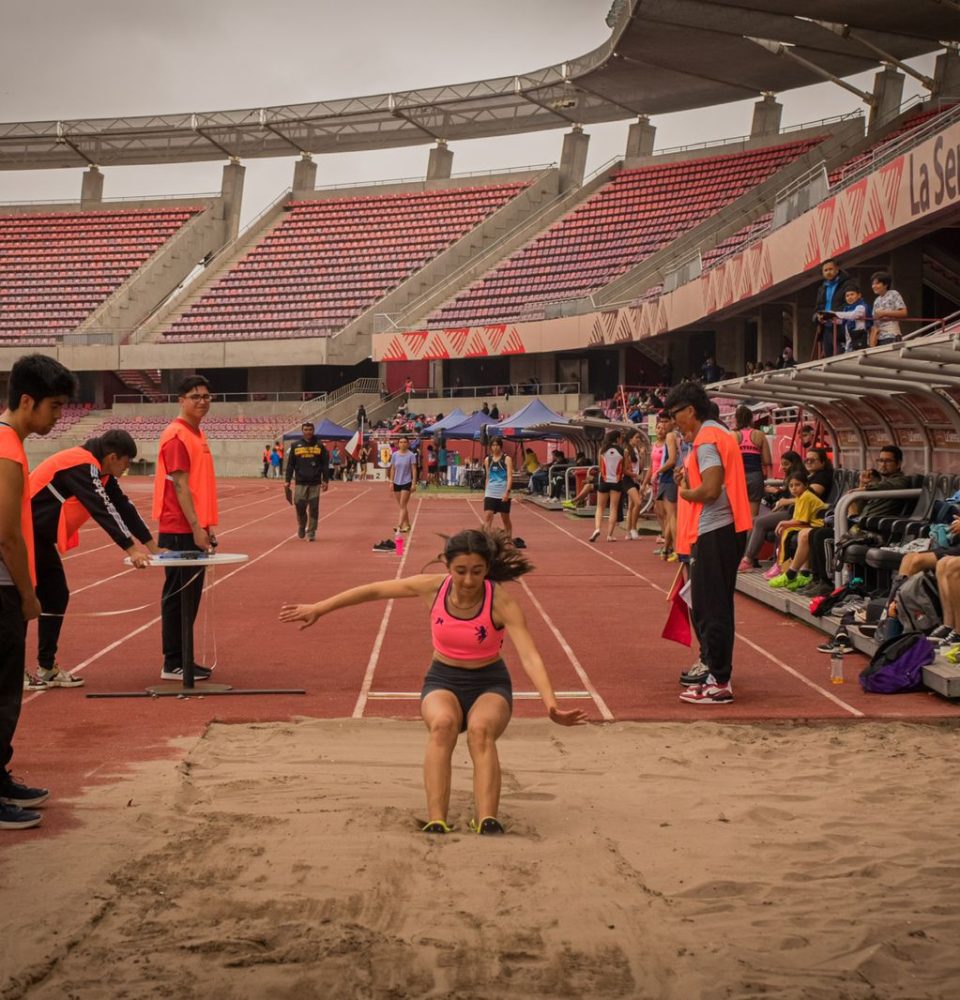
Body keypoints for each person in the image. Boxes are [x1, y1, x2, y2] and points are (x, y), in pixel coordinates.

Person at [279, 529, 585, 833]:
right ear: (446, 565)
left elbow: (530, 656)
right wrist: (319, 607)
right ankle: (437, 818)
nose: (468, 581)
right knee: (443, 725)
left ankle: (487, 818)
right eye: (460, 571)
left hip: (489, 683)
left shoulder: (501, 602)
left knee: (480, 730)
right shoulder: (431, 588)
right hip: (443, 679)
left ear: (487, 569)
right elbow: (374, 590)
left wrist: (551, 704)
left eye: (477, 572)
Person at [0, 354, 76, 830]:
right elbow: (6, 533)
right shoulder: (7, 448)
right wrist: (29, 596)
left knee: (6, 692)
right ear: (27, 400)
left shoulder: (9, 443)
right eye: (54, 405)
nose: (58, 416)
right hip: (3, 587)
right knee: (3, 694)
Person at [27, 431, 159, 690]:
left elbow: (121, 505)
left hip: (37, 537)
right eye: (126, 462)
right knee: (20, 599)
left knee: (54, 595)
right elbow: (101, 507)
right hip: (21, 532)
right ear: (112, 457)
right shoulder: (81, 464)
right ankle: (11, 670)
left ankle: (46, 667)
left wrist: (152, 545)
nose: (128, 467)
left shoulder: (101, 471)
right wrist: (131, 549)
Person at [666, 382, 752, 705]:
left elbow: (712, 489)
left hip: (716, 530)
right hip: (725, 529)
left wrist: (687, 493)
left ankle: (718, 680)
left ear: (691, 410)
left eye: (676, 415)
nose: (675, 422)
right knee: (715, 605)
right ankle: (718, 676)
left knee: (710, 607)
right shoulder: (717, 435)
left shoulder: (705, 441)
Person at [151, 375, 219, 683]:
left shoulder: (197, 434)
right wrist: (195, 528)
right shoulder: (177, 436)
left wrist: (206, 525)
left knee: (189, 596)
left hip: (193, 526)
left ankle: (183, 658)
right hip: (180, 528)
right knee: (178, 595)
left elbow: (198, 486)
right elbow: (180, 486)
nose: (202, 401)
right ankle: (174, 662)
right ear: (181, 400)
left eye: (206, 396)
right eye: (195, 396)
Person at [739, 450, 804, 571]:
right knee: (753, 521)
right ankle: (750, 558)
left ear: (794, 463)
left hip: (793, 512)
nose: (782, 467)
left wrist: (784, 500)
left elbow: (802, 497)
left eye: (786, 464)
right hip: (786, 510)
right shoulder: (790, 477)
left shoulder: (798, 477)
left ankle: (748, 560)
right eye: (782, 464)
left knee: (759, 522)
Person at [767, 471, 828, 591]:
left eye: (797, 485)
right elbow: (798, 519)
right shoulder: (800, 497)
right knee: (797, 533)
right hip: (812, 525)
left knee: (789, 532)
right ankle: (803, 573)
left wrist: (782, 522)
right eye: (791, 485)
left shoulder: (806, 496)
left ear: (805, 485)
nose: (794, 488)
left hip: (822, 525)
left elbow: (801, 521)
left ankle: (785, 569)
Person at [285, 422, 330, 542]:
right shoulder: (295, 445)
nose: (308, 432)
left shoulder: (320, 446)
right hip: (300, 482)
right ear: (302, 431)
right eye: (305, 429)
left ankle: (311, 532)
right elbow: (290, 465)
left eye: (310, 429)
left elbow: (325, 465)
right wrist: (287, 480)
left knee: (314, 508)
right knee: (299, 505)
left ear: (313, 431)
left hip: (315, 482)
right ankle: (301, 524)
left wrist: (325, 480)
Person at [732, 405, 772, 517]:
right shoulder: (759, 435)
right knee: (753, 517)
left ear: (736, 420)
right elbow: (767, 460)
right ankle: (751, 534)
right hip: (755, 476)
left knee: (737, 515)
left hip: (738, 476)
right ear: (751, 419)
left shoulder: (732, 435)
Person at [590, 430, 623, 543]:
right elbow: (624, 467)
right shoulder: (623, 451)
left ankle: (597, 528)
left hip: (604, 479)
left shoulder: (602, 450)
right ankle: (609, 535)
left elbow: (600, 466)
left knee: (600, 507)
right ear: (617, 438)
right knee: (613, 508)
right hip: (617, 481)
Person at [813, 257, 850, 357]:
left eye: (830, 269)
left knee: (840, 356)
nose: (828, 272)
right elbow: (818, 307)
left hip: (841, 325)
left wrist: (836, 315)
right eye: (825, 270)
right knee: (829, 356)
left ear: (837, 270)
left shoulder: (846, 284)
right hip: (826, 327)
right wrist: (817, 317)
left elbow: (849, 303)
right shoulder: (822, 288)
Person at [828, 282, 872, 353]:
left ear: (859, 295)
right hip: (850, 342)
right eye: (847, 296)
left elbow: (853, 315)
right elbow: (843, 321)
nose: (849, 297)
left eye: (852, 294)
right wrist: (829, 319)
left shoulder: (862, 306)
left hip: (862, 340)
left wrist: (835, 313)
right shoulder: (847, 309)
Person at [483, 436, 514, 536]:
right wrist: (486, 492)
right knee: (488, 516)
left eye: (497, 445)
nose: (495, 447)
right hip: (491, 491)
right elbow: (488, 476)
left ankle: (508, 538)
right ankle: (486, 540)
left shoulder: (507, 459)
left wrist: (507, 492)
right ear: (490, 447)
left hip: (502, 492)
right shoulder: (488, 460)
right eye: (493, 445)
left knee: (505, 518)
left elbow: (509, 477)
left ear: (500, 446)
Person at [869, 272, 907, 347]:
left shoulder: (893, 294)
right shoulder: (876, 300)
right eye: (873, 284)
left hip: (892, 335)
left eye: (877, 283)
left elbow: (903, 312)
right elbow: (874, 322)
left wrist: (884, 313)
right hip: (878, 338)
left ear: (886, 284)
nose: (874, 286)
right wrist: (872, 339)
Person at [389, 435, 417, 532]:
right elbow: (393, 468)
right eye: (401, 442)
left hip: (407, 482)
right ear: (398, 444)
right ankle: (407, 525)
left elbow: (414, 469)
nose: (403, 444)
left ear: (408, 444)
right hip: (396, 482)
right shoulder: (395, 455)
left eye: (405, 442)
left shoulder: (411, 455)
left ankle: (399, 525)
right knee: (402, 506)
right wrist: (391, 482)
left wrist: (414, 483)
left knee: (402, 504)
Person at [622, 430, 646, 540]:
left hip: (635, 480)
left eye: (639, 438)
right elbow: (625, 470)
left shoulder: (636, 450)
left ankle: (628, 532)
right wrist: (636, 476)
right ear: (630, 438)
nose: (638, 440)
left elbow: (640, 467)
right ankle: (633, 528)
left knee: (631, 506)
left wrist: (642, 455)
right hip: (628, 480)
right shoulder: (626, 451)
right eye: (636, 437)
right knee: (638, 502)